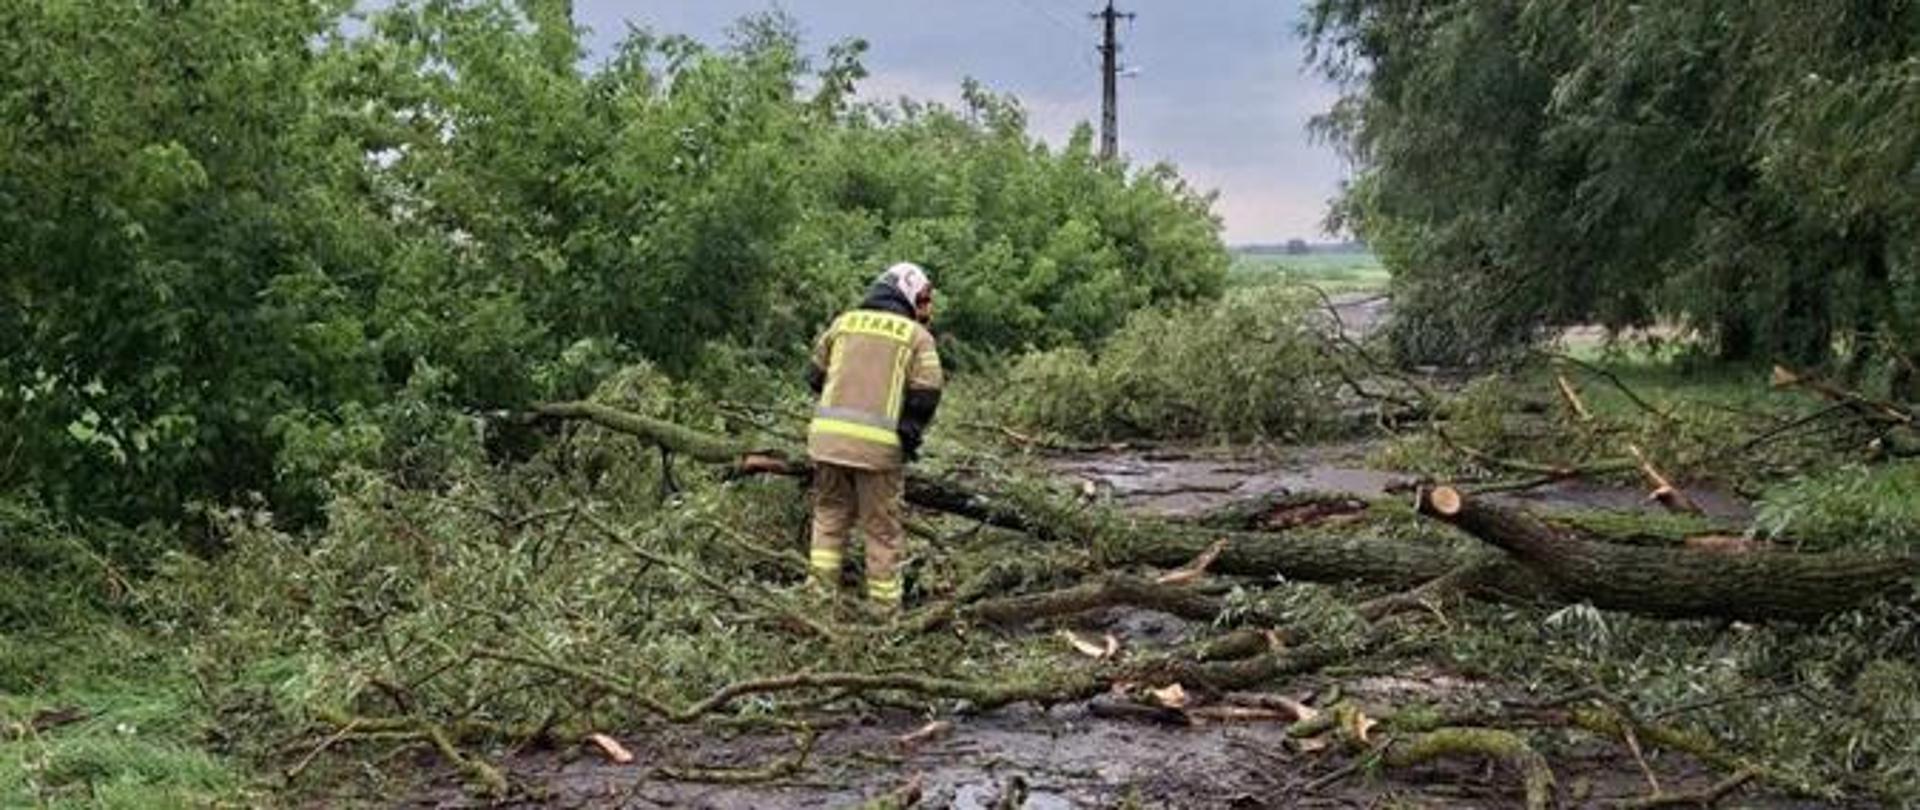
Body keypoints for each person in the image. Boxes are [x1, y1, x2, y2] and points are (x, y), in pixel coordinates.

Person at [804, 262, 944, 612]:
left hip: (827, 443)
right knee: (881, 529)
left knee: (829, 517)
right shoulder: (915, 336)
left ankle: (818, 602)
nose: (926, 308)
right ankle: (884, 617)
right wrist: (909, 428)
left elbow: (814, 376)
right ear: (909, 293)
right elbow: (928, 391)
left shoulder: (843, 323)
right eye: (924, 299)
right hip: (878, 450)